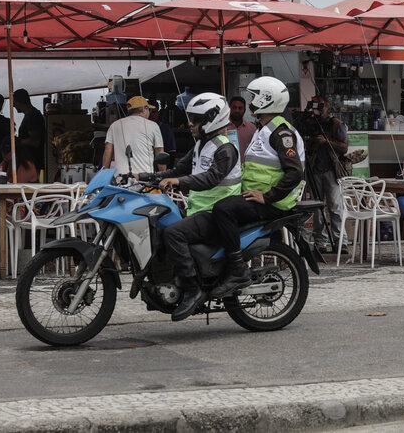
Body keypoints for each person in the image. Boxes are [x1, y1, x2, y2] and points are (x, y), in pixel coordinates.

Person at [143, 93, 242, 321]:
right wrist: (146, 176)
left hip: (216, 213)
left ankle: (192, 288)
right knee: (159, 227)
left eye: (195, 119)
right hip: (199, 210)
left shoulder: (226, 149)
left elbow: (210, 178)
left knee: (173, 234)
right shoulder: (201, 145)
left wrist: (178, 182)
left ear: (212, 119)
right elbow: (179, 169)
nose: (190, 124)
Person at [210, 77, 305, 298]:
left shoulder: (281, 133)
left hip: (274, 202)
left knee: (223, 210)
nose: (250, 101)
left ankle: (236, 271)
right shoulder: (263, 129)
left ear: (266, 99)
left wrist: (268, 197)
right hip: (257, 197)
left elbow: (295, 172)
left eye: (253, 96)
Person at [298, 95, 347, 251]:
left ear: (327, 107)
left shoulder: (335, 124)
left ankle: (341, 241)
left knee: (335, 206)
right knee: (317, 207)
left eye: (320, 106)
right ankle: (321, 241)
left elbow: (344, 147)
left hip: (331, 170)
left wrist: (327, 142)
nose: (317, 109)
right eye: (314, 105)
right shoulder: (310, 123)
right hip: (315, 169)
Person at [102, 96, 165, 175]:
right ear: (144, 109)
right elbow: (160, 152)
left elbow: (108, 151)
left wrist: (104, 175)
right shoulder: (153, 126)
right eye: (149, 109)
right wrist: (163, 175)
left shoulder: (115, 125)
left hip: (120, 180)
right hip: (144, 179)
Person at [12, 88, 46, 171]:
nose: (13, 106)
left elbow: (35, 142)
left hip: (34, 162)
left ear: (18, 102)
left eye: (14, 103)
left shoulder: (33, 116)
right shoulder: (30, 115)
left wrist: (18, 141)